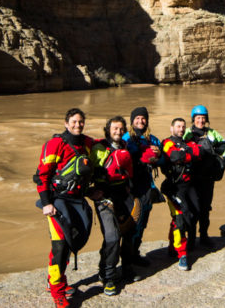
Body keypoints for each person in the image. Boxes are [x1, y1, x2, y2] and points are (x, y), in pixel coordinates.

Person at [33, 108, 99, 308]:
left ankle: (56, 279)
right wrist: (46, 203)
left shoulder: (87, 143)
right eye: (74, 121)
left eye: (81, 122)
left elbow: (95, 161)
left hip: (77, 200)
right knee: (60, 245)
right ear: (66, 123)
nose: (77, 125)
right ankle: (57, 290)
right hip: (57, 201)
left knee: (70, 241)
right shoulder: (55, 144)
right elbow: (42, 176)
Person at [90, 116, 137, 296]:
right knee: (112, 236)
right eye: (114, 129)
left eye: (121, 129)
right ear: (108, 130)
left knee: (129, 232)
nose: (118, 132)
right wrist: (89, 191)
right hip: (105, 197)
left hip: (122, 195)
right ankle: (108, 276)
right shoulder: (99, 148)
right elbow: (86, 174)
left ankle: (126, 268)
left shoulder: (124, 148)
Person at [122, 107, 164, 268]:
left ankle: (135, 253)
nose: (140, 121)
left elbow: (162, 162)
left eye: (143, 118)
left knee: (142, 223)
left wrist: (159, 155)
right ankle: (126, 262)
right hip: (130, 188)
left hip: (147, 186)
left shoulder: (153, 140)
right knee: (131, 224)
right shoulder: (125, 138)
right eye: (137, 118)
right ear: (132, 121)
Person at [160, 117, 201, 271]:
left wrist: (184, 154)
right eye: (178, 126)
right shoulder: (167, 142)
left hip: (188, 186)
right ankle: (181, 254)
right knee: (180, 217)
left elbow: (197, 153)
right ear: (172, 128)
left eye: (183, 127)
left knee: (195, 213)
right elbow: (173, 156)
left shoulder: (189, 143)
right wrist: (185, 154)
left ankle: (173, 247)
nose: (181, 129)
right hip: (173, 187)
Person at [183, 105, 225, 246]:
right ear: (193, 119)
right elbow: (179, 145)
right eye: (198, 118)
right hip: (192, 178)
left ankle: (204, 236)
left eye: (203, 118)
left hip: (208, 178)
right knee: (192, 209)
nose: (201, 121)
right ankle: (191, 238)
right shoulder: (187, 133)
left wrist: (218, 155)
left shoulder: (213, 133)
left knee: (205, 208)